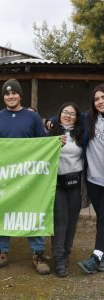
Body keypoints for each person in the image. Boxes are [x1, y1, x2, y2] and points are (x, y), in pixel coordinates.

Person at [0, 78, 50, 275]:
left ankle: (38, 254)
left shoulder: (32, 117)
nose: (11, 96)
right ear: (4, 97)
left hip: (29, 177)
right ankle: (0, 253)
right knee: (3, 212)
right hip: (4, 177)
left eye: (14, 93)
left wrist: (55, 144)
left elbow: (43, 145)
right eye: (7, 94)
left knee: (32, 212)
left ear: (20, 95)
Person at [48, 102, 83, 277]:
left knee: (72, 221)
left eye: (72, 113)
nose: (68, 116)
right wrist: (53, 143)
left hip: (75, 183)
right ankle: (58, 258)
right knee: (60, 221)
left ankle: (67, 254)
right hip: (57, 184)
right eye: (65, 112)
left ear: (77, 117)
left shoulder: (81, 133)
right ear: (59, 114)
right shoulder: (51, 131)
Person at [77, 84, 104, 274]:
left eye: (103, 97)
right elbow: (67, 117)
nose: (100, 101)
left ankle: (96, 257)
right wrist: (49, 121)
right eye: (97, 99)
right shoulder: (89, 119)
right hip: (94, 179)